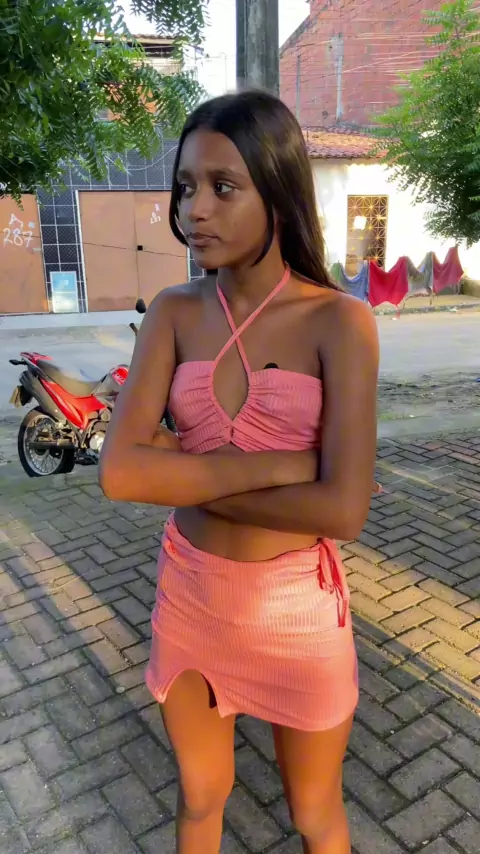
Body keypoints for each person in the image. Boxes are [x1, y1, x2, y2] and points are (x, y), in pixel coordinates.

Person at [100, 90, 379, 854]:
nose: (195, 208)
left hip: (296, 610)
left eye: (224, 187)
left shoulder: (339, 322)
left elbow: (343, 512)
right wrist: (289, 468)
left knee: (314, 814)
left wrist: (182, 472)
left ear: (278, 191)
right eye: (186, 186)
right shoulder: (173, 312)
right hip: (191, 596)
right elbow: (120, 474)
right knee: (199, 798)